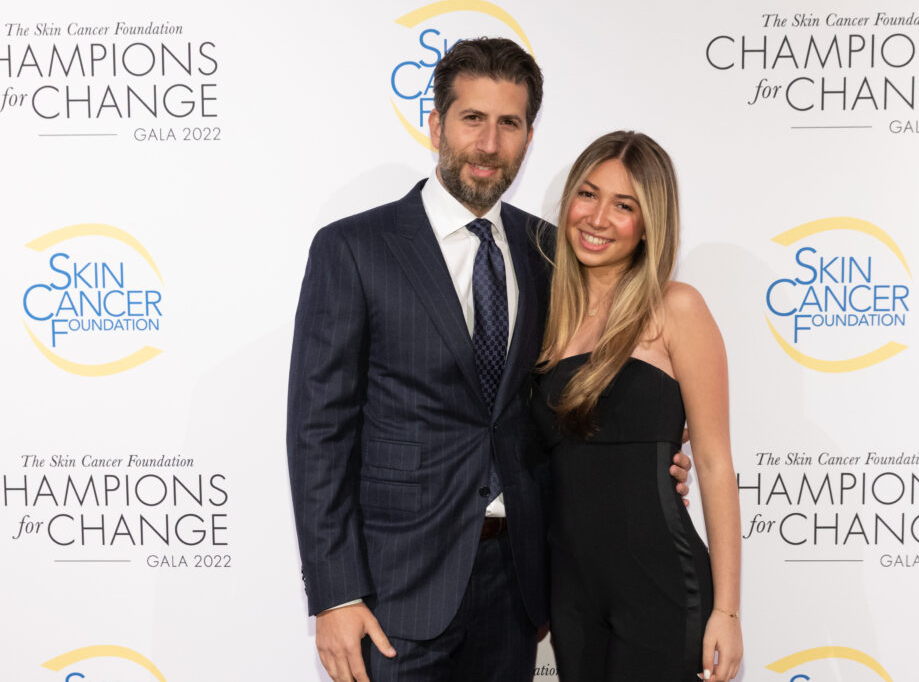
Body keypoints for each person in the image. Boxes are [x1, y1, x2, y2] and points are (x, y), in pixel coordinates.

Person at [287, 40, 691, 682]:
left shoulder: (552, 253)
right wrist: (337, 595)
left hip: (518, 586)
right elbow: (318, 433)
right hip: (395, 589)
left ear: (529, 137)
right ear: (435, 124)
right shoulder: (355, 249)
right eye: (472, 118)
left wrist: (649, 460)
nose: (489, 143)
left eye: (509, 123)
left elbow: (575, 394)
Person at [531, 131, 743, 682]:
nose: (597, 218)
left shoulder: (676, 308)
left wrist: (727, 612)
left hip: (660, 582)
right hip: (570, 594)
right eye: (587, 194)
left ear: (650, 223)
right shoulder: (544, 315)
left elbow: (714, 463)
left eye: (624, 205)